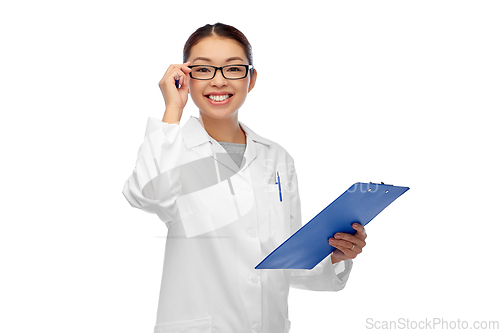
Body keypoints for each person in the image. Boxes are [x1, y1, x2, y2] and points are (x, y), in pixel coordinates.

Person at [122, 22, 367, 333]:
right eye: (204, 70)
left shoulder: (277, 157)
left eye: (233, 69)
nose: (219, 81)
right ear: (185, 78)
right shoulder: (171, 149)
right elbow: (145, 194)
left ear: (251, 79)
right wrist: (173, 107)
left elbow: (286, 260)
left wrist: (335, 254)